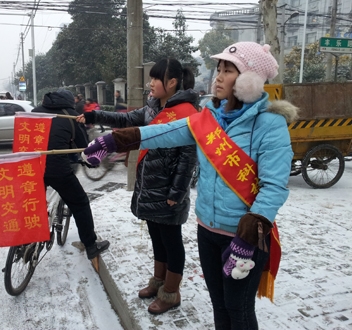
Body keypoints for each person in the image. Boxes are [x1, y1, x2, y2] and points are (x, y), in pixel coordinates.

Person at [82, 42, 299, 328]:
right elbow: (163, 132)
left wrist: (246, 239)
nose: (217, 77)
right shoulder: (208, 118)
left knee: (239, 309)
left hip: (242, 239)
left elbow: (274, 187)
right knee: (219, 306)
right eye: (218, 69)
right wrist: (113, 141)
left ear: (250, 81)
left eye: (227, 71)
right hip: (207, 230)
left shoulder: (270, 125)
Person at [77, 58, 198, 315]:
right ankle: (158, 282)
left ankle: (171, 292)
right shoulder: (152, 109)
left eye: (155, 78)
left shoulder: (188, 114)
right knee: (157, 238)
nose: (150, 83)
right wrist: (93, 115)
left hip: (168, 192)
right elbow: (125, 120)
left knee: (172, 242)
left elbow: (187, 159)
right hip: (149, 187)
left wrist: (177, 193)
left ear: (172, 82)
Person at [32, 89, 110, 260]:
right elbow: (84, 147)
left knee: (31, 202)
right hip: (57, 169)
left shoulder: (35, 112)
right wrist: (87, 160)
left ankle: (24, 242)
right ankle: (91, 245)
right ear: (70, 102)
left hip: (30, 167)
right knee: (80, 202)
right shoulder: (72, 116)